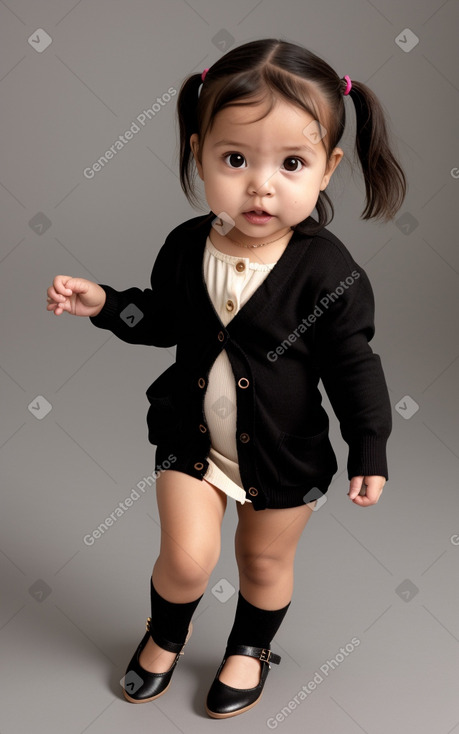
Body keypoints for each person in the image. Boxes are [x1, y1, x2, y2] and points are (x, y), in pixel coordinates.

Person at [46, 38, 406, 719]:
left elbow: (353, 366)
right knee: (186, 559)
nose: (260, 185)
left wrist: (370, 448)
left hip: (283, 450)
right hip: (192, 440)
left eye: (291, 163)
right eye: (235, 159)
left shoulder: (327, 273)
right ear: (198, 152)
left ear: (327, 168)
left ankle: (249, 646)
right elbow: (161, 317)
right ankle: (166, 631)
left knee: (262, 564)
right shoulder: (188, 245)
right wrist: (102, 302)